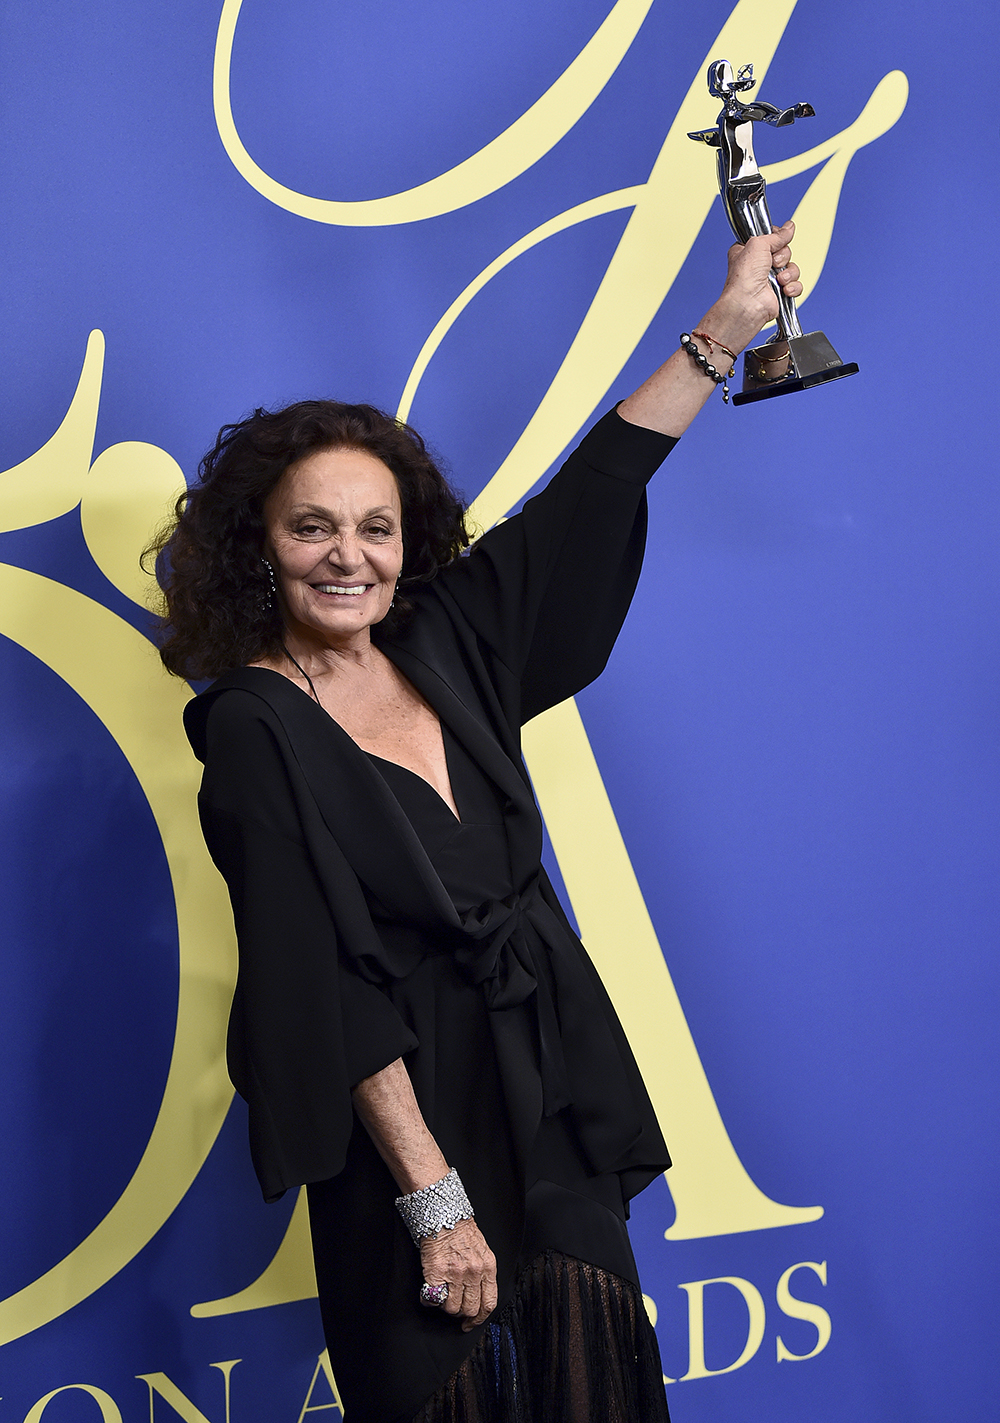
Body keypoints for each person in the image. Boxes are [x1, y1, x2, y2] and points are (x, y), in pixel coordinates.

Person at [152, 225, 802, 1423]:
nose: (350, 556)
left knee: (596, 1383)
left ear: (409, 541)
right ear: (260, 545)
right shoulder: (250, 728)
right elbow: (325, 987)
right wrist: (432, 1202)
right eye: (313, 528)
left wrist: (726, 328)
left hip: (543, 1079)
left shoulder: (443, 638)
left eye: (377, 527)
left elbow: (589, 497)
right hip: (409, 1126)